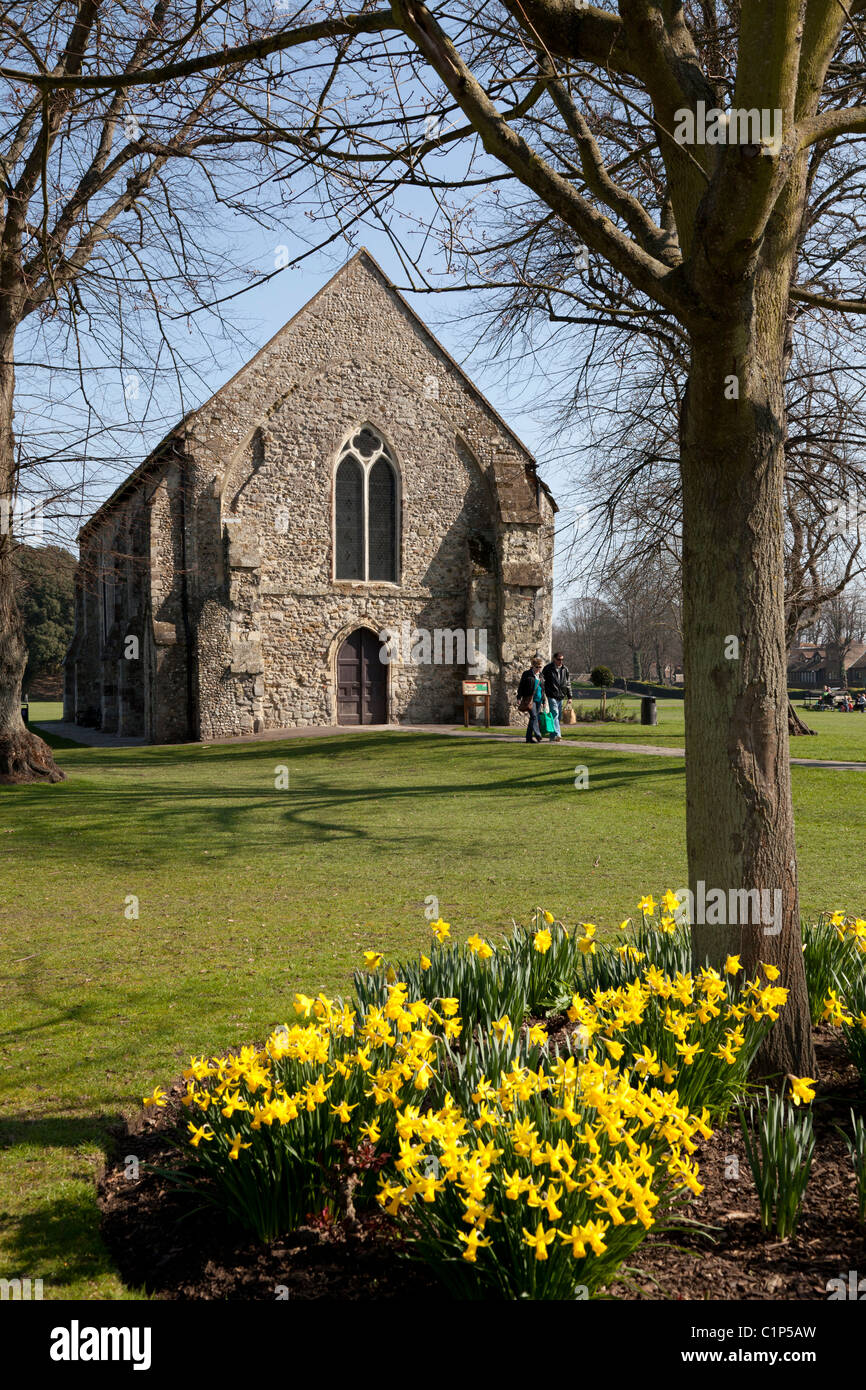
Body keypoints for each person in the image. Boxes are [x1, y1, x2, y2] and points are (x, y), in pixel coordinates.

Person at [541, 651, 572, 743]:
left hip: (561, 695)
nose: (560, 661)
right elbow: (542, 682)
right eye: (559, 659)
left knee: (557, 717)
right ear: (554, 659)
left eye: (562, 659)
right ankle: (558, 734)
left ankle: (552, 736)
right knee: (555, 713)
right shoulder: (548, 668)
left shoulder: (565, 669)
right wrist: (544, 693)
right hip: (552, 695)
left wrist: (570, 697)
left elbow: (568, 683)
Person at [517, 655, 546, 743]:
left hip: (539, 699)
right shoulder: (527, 674)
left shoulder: (541, 675)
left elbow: (542, 688)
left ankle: (528, 738)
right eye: (537, 667)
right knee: (534, 716)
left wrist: (544, 700)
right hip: (530, 699)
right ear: (533, 666)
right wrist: (519, 697)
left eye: (540, 667)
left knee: (533, 718)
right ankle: (538, 734)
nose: (538, 669)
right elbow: (521, 686)